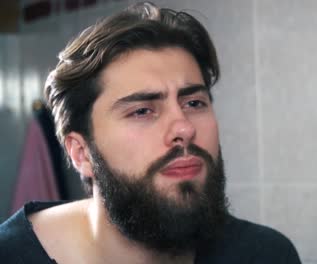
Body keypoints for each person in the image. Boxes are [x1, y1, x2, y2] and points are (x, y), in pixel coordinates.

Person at [0, 2, 301, 263]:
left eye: (194, 102)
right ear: (81, 153)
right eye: (142, 111)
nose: (184, 127)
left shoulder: (265, 254)